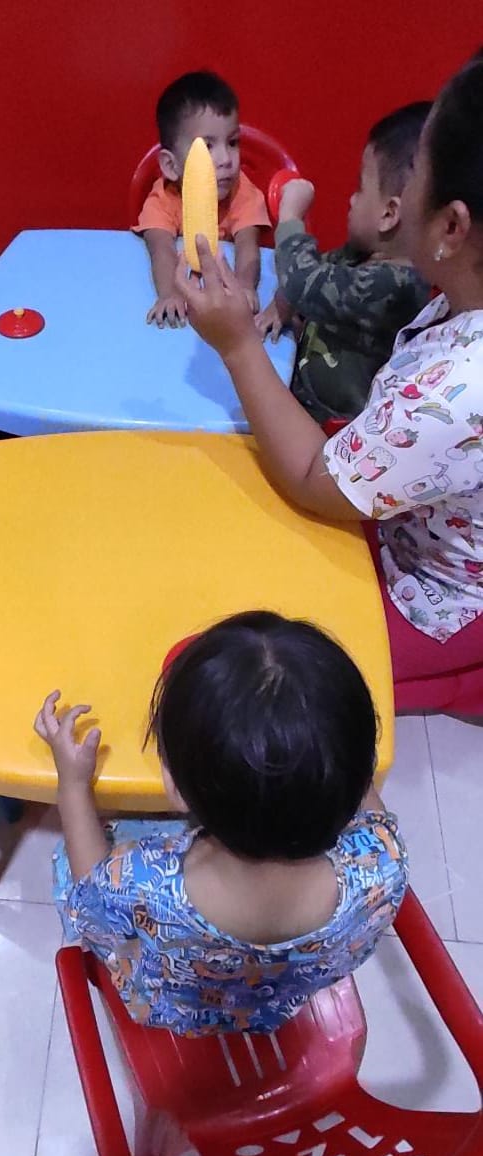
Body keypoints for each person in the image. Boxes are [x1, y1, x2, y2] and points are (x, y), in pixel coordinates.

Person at [173, 51, 483, 708]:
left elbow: (315, 480)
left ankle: (461, 676)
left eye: (419, 168)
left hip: (436, 598)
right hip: (407, 510)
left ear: (451, 226)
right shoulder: (457, 304)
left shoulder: (455, 392)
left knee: (225, 669)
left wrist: (237, 345)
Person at [34, 612, 406, 1035]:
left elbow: (90, 893)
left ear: (176, 788)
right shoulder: (384, 863)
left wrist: (73, 785)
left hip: (174, 1006)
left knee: (71, 860)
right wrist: (322, 741)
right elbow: (363, 788)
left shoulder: (142, 881)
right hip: (269, 1008)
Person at [256, 102, 432, 424]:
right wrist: (283, 303)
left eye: (359, 189)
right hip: (298, 385)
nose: (351, 200)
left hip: (326, 427)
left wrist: (291, 217)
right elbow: (319, 273)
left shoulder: (395, 285)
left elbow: (303, 281)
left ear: (389, 214)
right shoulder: (368, 252)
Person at [132, 70, 269, 329]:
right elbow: (161, 249)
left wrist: (244, 287)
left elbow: (247, 245)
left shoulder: (242, 192)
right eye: (207, 147)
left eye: (232, 142)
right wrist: (170, 293)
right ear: (171, 165)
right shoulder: (163, 198)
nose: (226, 160)